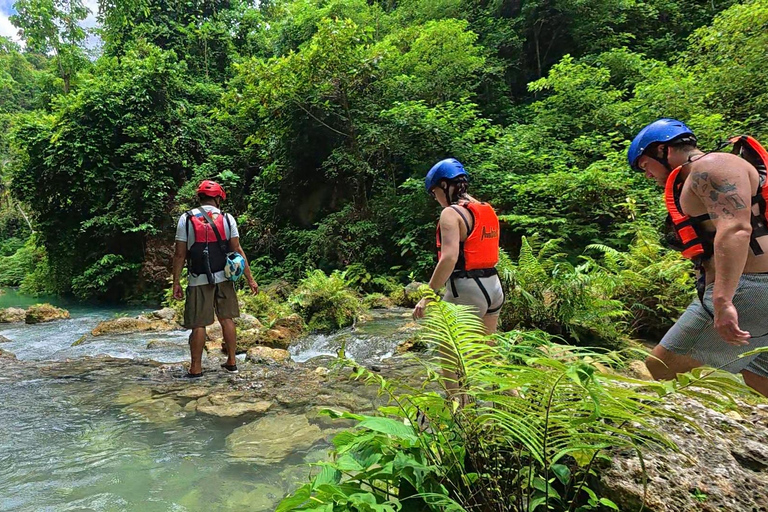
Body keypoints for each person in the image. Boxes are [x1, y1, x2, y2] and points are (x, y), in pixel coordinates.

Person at [628, 118, 768, 396]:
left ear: (663, 150)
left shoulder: (712, 166)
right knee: (757, 374)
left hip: (748, 288)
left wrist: (723, 299)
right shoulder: (698, 175)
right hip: (755, 289)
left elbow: (736, 229)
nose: (648, 175)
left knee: (660, 368)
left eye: (645, 165)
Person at [172, 180, 259, 378]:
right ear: (219, 198)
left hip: (198, 279)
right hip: (225, 277)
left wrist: (176, 282)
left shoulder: (186, 219)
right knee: (226, 318)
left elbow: (179, 254)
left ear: (199, 197)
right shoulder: (227, 218)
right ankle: (232, 361)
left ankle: (196, 368)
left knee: (198, 324)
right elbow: (237, 250)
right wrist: (250, 279)